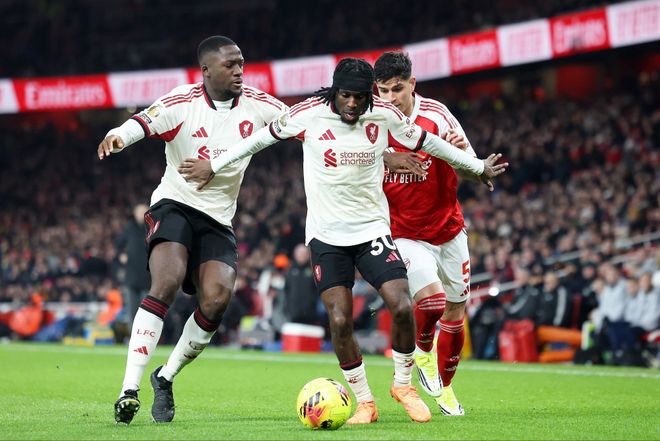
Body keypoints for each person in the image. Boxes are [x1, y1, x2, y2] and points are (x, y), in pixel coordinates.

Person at [178, 58, 507, 423]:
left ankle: (403, 386)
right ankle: (365, 402)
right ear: (335, 92)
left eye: (360, 97)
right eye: (346, 96)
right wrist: (214, 165)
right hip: (327, 237)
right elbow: (258, 139)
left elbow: (427, 141)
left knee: (401, 305)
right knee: (339, 319)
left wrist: (477, 166)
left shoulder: (383, 113)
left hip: (372, 230)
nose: (353, 104)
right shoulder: (307, 114)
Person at [97, 35, 287, 425]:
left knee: (216, 301)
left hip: (218, 219)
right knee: (166, 282)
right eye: (230, 65)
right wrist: (119, 136)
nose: (239, 71)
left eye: (241, 63)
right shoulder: (182, 102)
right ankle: (128, 389)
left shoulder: (259, 104)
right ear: (206, 70)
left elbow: (302, 122)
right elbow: (142, 122)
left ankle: (165, 377)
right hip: (175, 204)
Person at [372, 51, 491, 415]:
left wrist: (458, 155)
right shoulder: (372, 120)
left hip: (448, 229)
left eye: (396, 89)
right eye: (382, 90)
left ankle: (446, 389)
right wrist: (384, 157)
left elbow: (473, 169)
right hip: (403, 233)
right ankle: (423, 352)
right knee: (431, 302)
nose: (390, 98)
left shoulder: (438, 116)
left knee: (455, 311)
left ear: (412, 84)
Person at [114, 203, 151, 328]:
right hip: (132, 277)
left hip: (148, 277)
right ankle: (132, 336)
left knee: (147, 311)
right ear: (134, 214)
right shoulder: (129, 228)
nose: (142, 214)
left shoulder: (153, 228)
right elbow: (118, 244)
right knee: (132, 311)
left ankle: (146, 334)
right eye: (139, 212)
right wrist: (121, 255)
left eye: (144, 211)